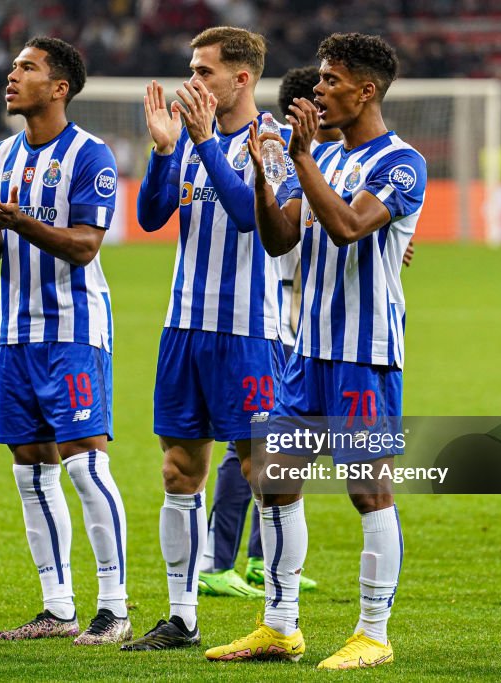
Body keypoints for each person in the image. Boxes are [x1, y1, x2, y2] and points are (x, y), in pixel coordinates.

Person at [205, 33, 426, 669]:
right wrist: (270, 178)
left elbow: (350, 227)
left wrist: (300, 158)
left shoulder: (401, 162)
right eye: (319, 80)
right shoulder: (323, 159)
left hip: (365, 351)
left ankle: (374, 634)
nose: (318, 90)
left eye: (330, 81)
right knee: (274, 482)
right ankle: (279, 628)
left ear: (366, 90)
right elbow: (280, 241)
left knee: (368, 491)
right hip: (306, 351)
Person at [0, 36, 130, 646]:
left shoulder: (90, 155)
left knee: (85, 464)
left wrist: (18, 218)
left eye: (26, 68)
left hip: (74, 332)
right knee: (30, 470)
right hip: (15, 335)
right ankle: (58, 609)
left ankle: (115, 607)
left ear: (59, 88)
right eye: (12, 67)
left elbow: (85, 245)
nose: (11, 76)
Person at [121, 27, 286, 651]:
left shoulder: (270, 140)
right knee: (177, 470)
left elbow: (251, 215)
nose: (193, 83)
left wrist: (202, 142)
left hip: (247, 332)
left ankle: (277, 618)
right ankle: (182, 617)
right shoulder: (190, 138)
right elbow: (151, 217)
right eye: (191, 70)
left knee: (260, 470)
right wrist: (165, 152)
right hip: (183, 328)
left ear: (241, 79)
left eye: (204, 72)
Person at [197, 65, 331, 599]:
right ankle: (215, 561)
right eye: (317, 102)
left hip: (299, 316)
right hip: (269, 316)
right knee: (251, 442)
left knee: (278, 442)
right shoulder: (278, 155)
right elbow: (281, 235)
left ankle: (256, 558)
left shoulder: (320, 161)